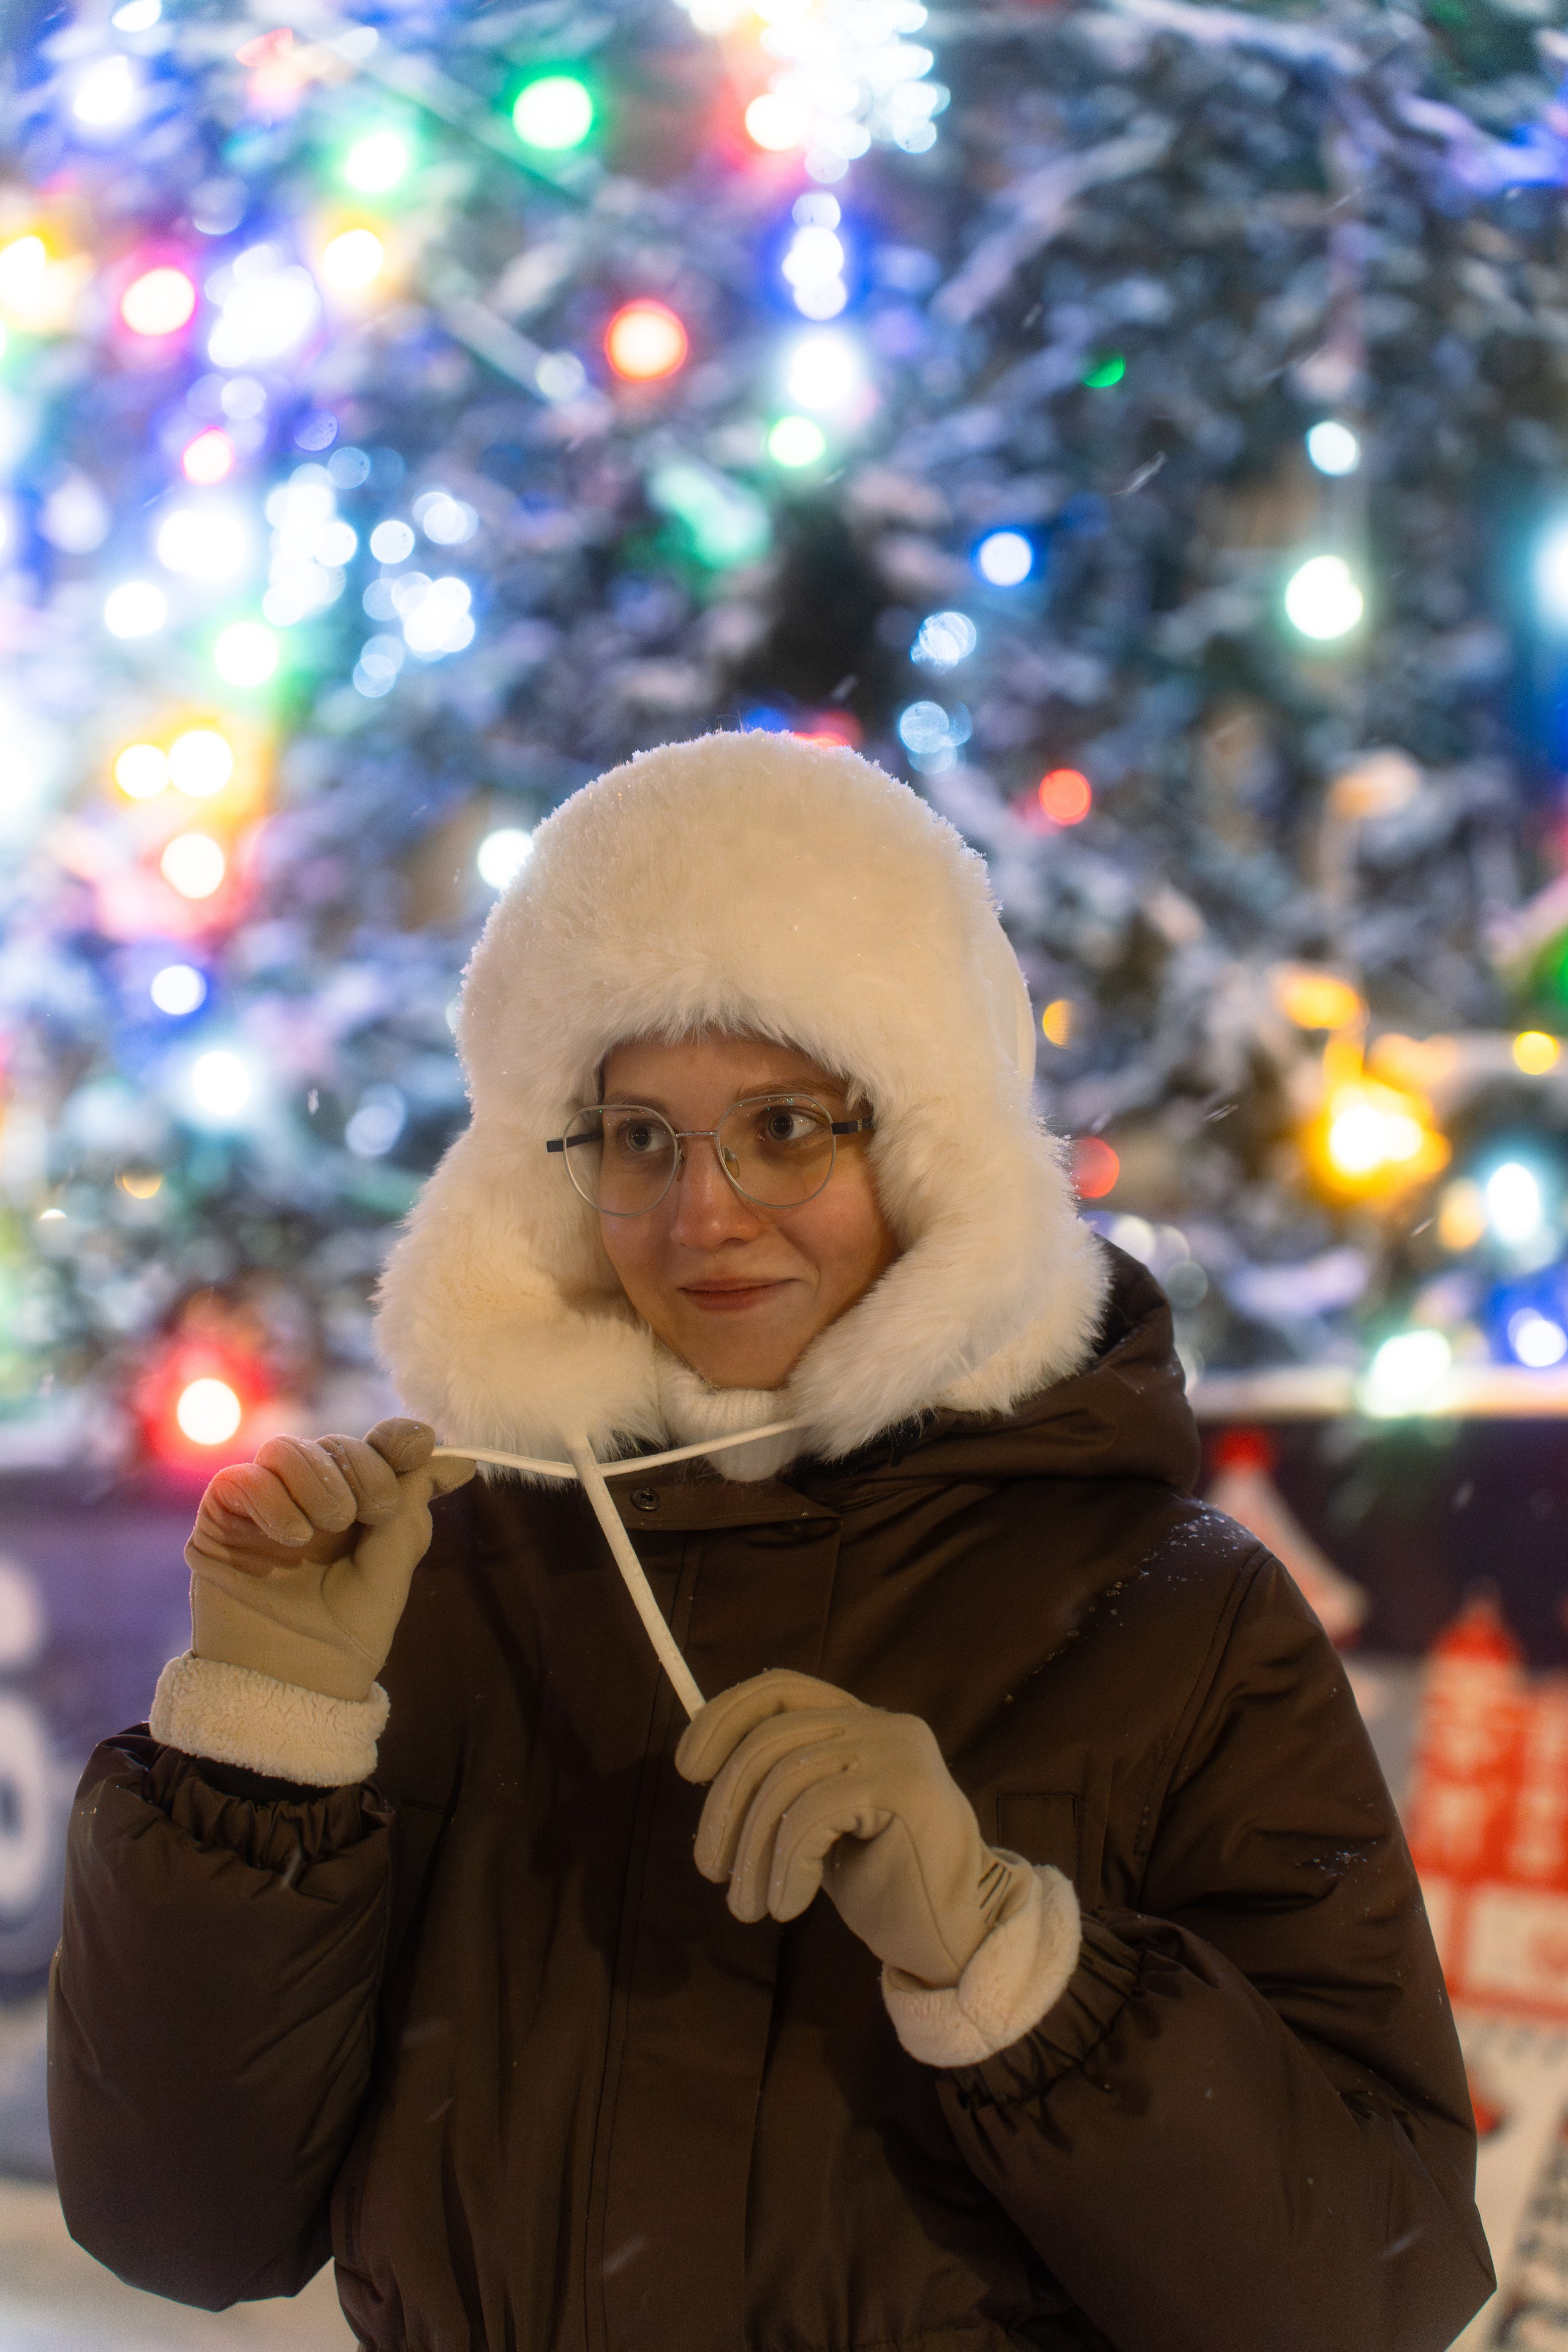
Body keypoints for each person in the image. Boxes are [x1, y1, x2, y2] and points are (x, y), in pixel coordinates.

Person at [48, 733, 1491, 2352]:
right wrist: (264, 1746)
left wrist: (1010, 1964)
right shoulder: (450, 1585)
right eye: (639, 1137)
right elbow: (181, 2228)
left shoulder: (1178, 1624)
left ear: (926, 1140)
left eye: (787, 1126)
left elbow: (1378, 2288)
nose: (703, 1214)